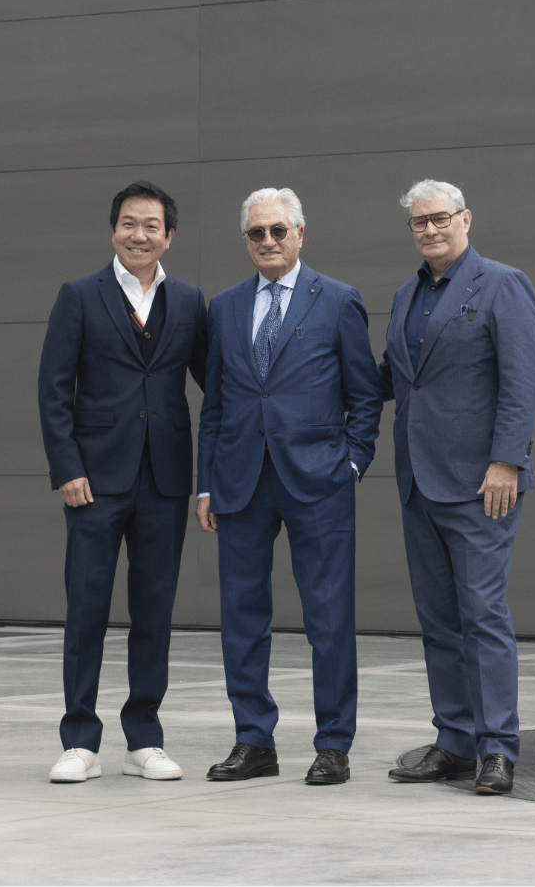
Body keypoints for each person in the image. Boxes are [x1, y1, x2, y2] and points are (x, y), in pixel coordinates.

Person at [196, 187, 381, 785]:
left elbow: (365, 394)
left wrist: (352, 462)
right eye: (257, 233)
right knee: (242, 617)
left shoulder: (337, 300)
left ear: (300, 234)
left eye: (279, 231)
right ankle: (254, 740)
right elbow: (216, 404)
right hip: (240, 483)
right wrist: (205, 485)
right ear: (246, 240)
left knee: (328, 617)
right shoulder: (223, 308)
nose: (268, 242)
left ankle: (333, 743)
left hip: (319, 482)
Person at [37, 181, 208, 784]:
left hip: (163, 478)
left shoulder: (188, 300)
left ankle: (145, 737)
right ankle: (79, 739)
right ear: (114, 231)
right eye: (130, 224)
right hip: (94, 480)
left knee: (154, 611)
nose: (141, 235)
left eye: (153, 226)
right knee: (86, 608)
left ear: (169, 236)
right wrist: (67, 468)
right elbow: (54, 388)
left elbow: (215, 389)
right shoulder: (80, 295)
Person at [379, 179, 535, 796]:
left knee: (483, 616)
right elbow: (395, 378)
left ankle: (498, 748)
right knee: (440, 621)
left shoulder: (502, 283)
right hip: (419, 483)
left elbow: (522, 379)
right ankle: (454, 740)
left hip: (482, 485)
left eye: (440, 219)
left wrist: (507, 461)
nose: (429, 230)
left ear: (466, 219)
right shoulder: (406, 294)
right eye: (419, 222)